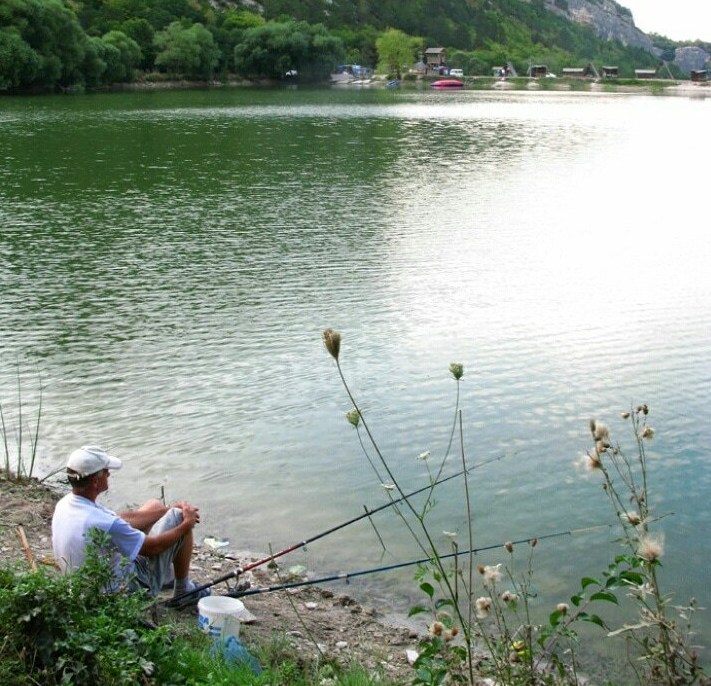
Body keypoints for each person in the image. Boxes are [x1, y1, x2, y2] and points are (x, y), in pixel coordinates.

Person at [52, 445, 209, 603]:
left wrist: (166, 510)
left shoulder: (66, 504)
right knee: (179, 517)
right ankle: (183, 590)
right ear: (95, 481)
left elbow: (118, 519)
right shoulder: (103, 522)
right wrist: (186, 523)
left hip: (84, 586)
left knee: (153, 505)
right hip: (119, 591)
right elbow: (152, 548)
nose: (109, 474)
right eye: (106, 471)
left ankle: (167, 574)